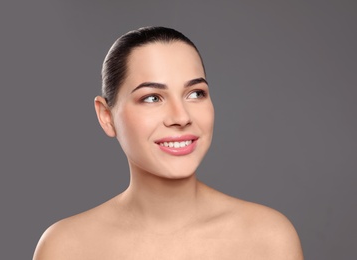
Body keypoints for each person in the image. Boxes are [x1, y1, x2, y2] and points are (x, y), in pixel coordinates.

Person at [33, 26, 304, 259]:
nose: (181, 116)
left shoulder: (268, 238)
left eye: (196, 93)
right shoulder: (66, 247)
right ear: (107, 116)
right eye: (152, 98)